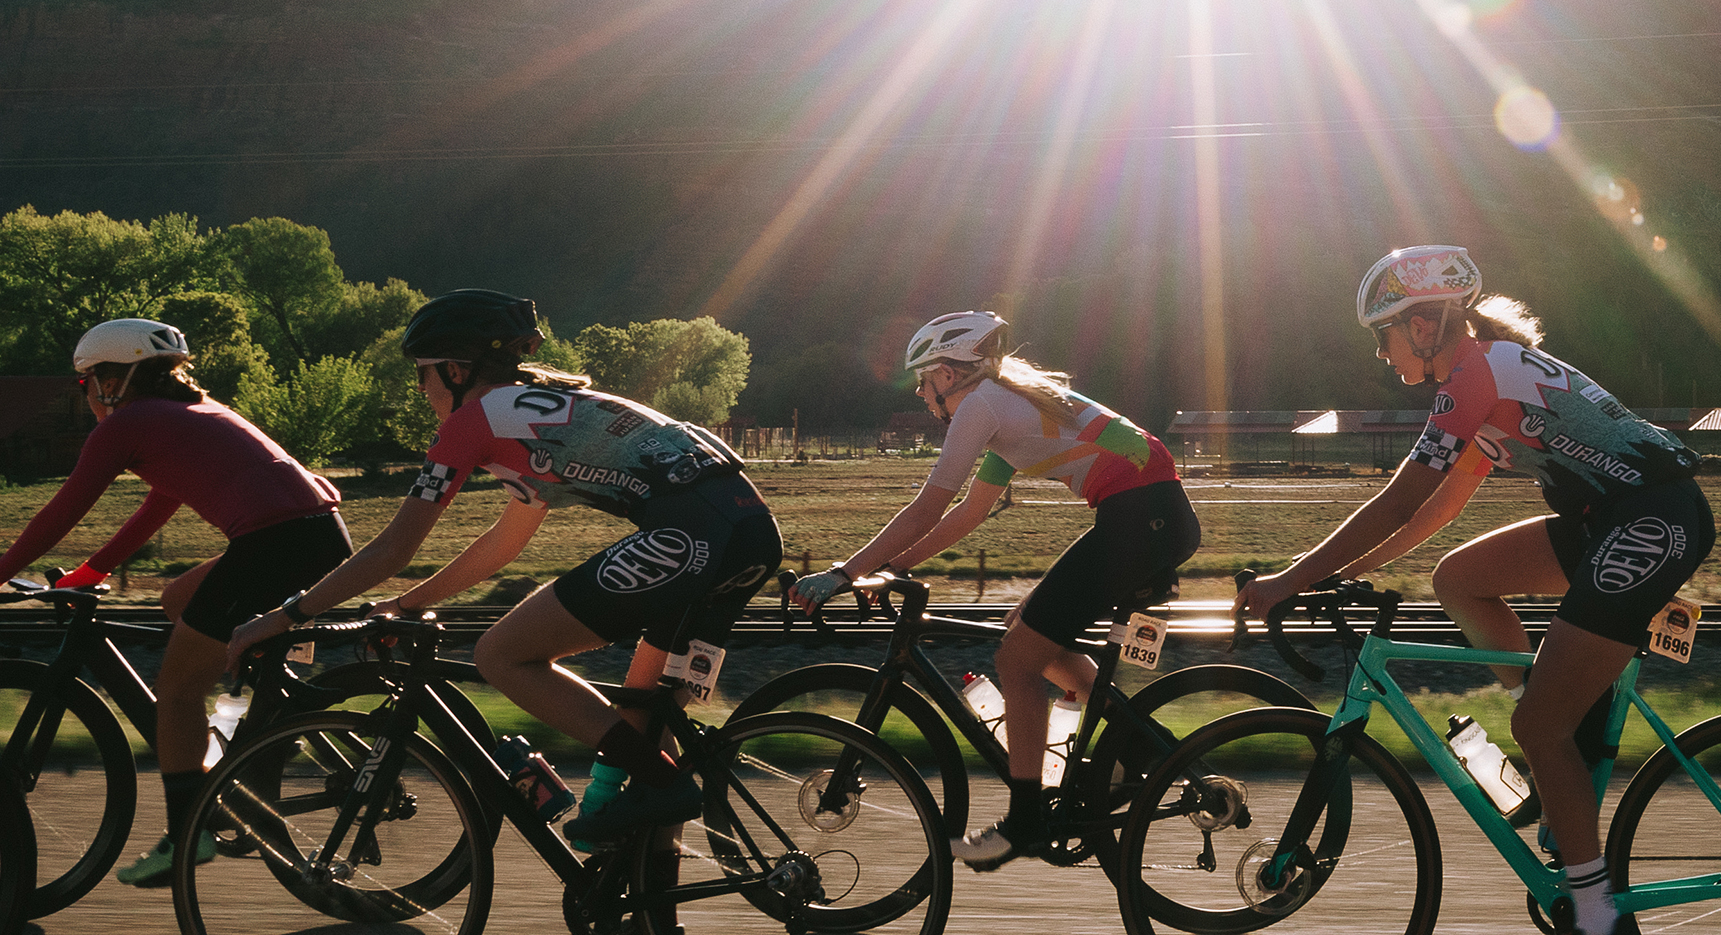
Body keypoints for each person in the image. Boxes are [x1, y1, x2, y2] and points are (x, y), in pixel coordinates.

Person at [1234, 246, 1711, 935]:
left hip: (1651, 520)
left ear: (1424, 326)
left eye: (1384, 334)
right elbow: (1437, 509)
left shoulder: (1475, 376)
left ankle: (1599, 913)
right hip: (1612, 520)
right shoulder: (1485, 375)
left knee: (1539, 727)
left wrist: (1290, 578)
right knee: (1460, 579)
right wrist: (1340, 571)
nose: (1380, 353)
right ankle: (1556, 755)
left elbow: (1399, 502)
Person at [224, 289, 778, 847]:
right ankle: (655, 906)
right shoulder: (534, 415)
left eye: (423, 375)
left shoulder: (473, 423)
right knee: (644, 724)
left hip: (691, 536)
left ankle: (662, 785)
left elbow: (393, 547)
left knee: (501, 655)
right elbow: (503, 543)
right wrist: (409, 603)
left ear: (457, 370)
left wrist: (286, 616)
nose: (421, 391)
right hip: (750, 534)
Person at [797, 311, 1196, 871]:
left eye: (923, 379)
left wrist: (845, 572)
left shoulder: (982, 405)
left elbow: (929, 504)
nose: (921, 392)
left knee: (1017, 660)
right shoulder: (1006, 403)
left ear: (948, 373)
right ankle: (1140, 744)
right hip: (1145, 516)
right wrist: (895, 567)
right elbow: (970, 511)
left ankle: (1028, 822)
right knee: (1022, 634)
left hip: (1141, 518)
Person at [0, 319, 353, 887]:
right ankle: (267, 721)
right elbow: (159, 505)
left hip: (274, 545)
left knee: (177, 688)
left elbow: (60, 513)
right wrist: (94, 571)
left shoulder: (129, 424)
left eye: (84, 382)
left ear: (114, 379)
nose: (85, 394)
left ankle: (188, 833)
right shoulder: (192, 413)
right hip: (316, 535)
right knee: (176, 598)